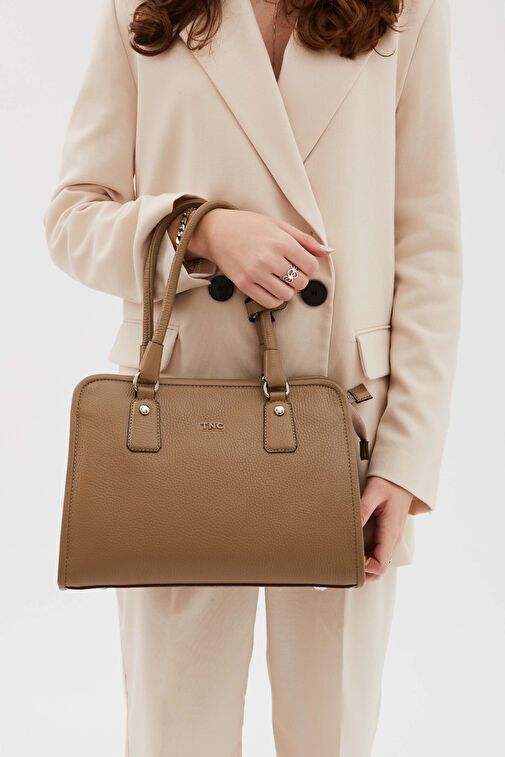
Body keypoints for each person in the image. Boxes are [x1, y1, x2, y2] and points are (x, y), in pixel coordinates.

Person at [42, 0, 462, 754]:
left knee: (331, 733)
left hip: (346, 427)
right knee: (176, 734)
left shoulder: (405, 8)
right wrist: (200, 230)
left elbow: (428, 242)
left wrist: (405, 460)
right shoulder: (141, 5)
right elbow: (73, 217)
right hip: (179, 422)